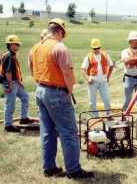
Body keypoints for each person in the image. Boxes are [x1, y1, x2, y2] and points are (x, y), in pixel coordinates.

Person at [28, 18, 94, 179]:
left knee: (47, 132)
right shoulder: (59, 47)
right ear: (60, 31)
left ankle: (49, 168)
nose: (63, 38)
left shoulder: (35, 48)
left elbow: (31, 69)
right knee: (68, 132)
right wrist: (68, 91)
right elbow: (68, 73)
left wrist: (40, 82)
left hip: (40, 90)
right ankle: (73, 170)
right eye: (63, 35)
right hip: (57, 92)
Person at [0, 35, 32, 132]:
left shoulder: (11, 55)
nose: (18, 46)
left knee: (25, 97)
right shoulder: (9, 56)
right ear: (11, 44)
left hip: (15, 82)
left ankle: (23, 118)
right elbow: (8, 72)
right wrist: (9, 85)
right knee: (10, 104)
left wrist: (18, 82)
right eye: (16, 44)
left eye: (18, 45)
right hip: (10, 82)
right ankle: (8, 125)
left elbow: (14, 71)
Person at [81, 38, 114, 116]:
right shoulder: (88, 57)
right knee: (92, 102)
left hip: (103, 82)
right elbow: (83, 69)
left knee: (106, 100)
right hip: (93, 82)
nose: (96, 50)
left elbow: (111, 66)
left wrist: (108, 77)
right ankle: (95, 117)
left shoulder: (105, 55)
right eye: (94, 48)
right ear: (92, 48)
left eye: (98, 48)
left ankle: (109, 115)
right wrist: (87, 78)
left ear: (100, 47)